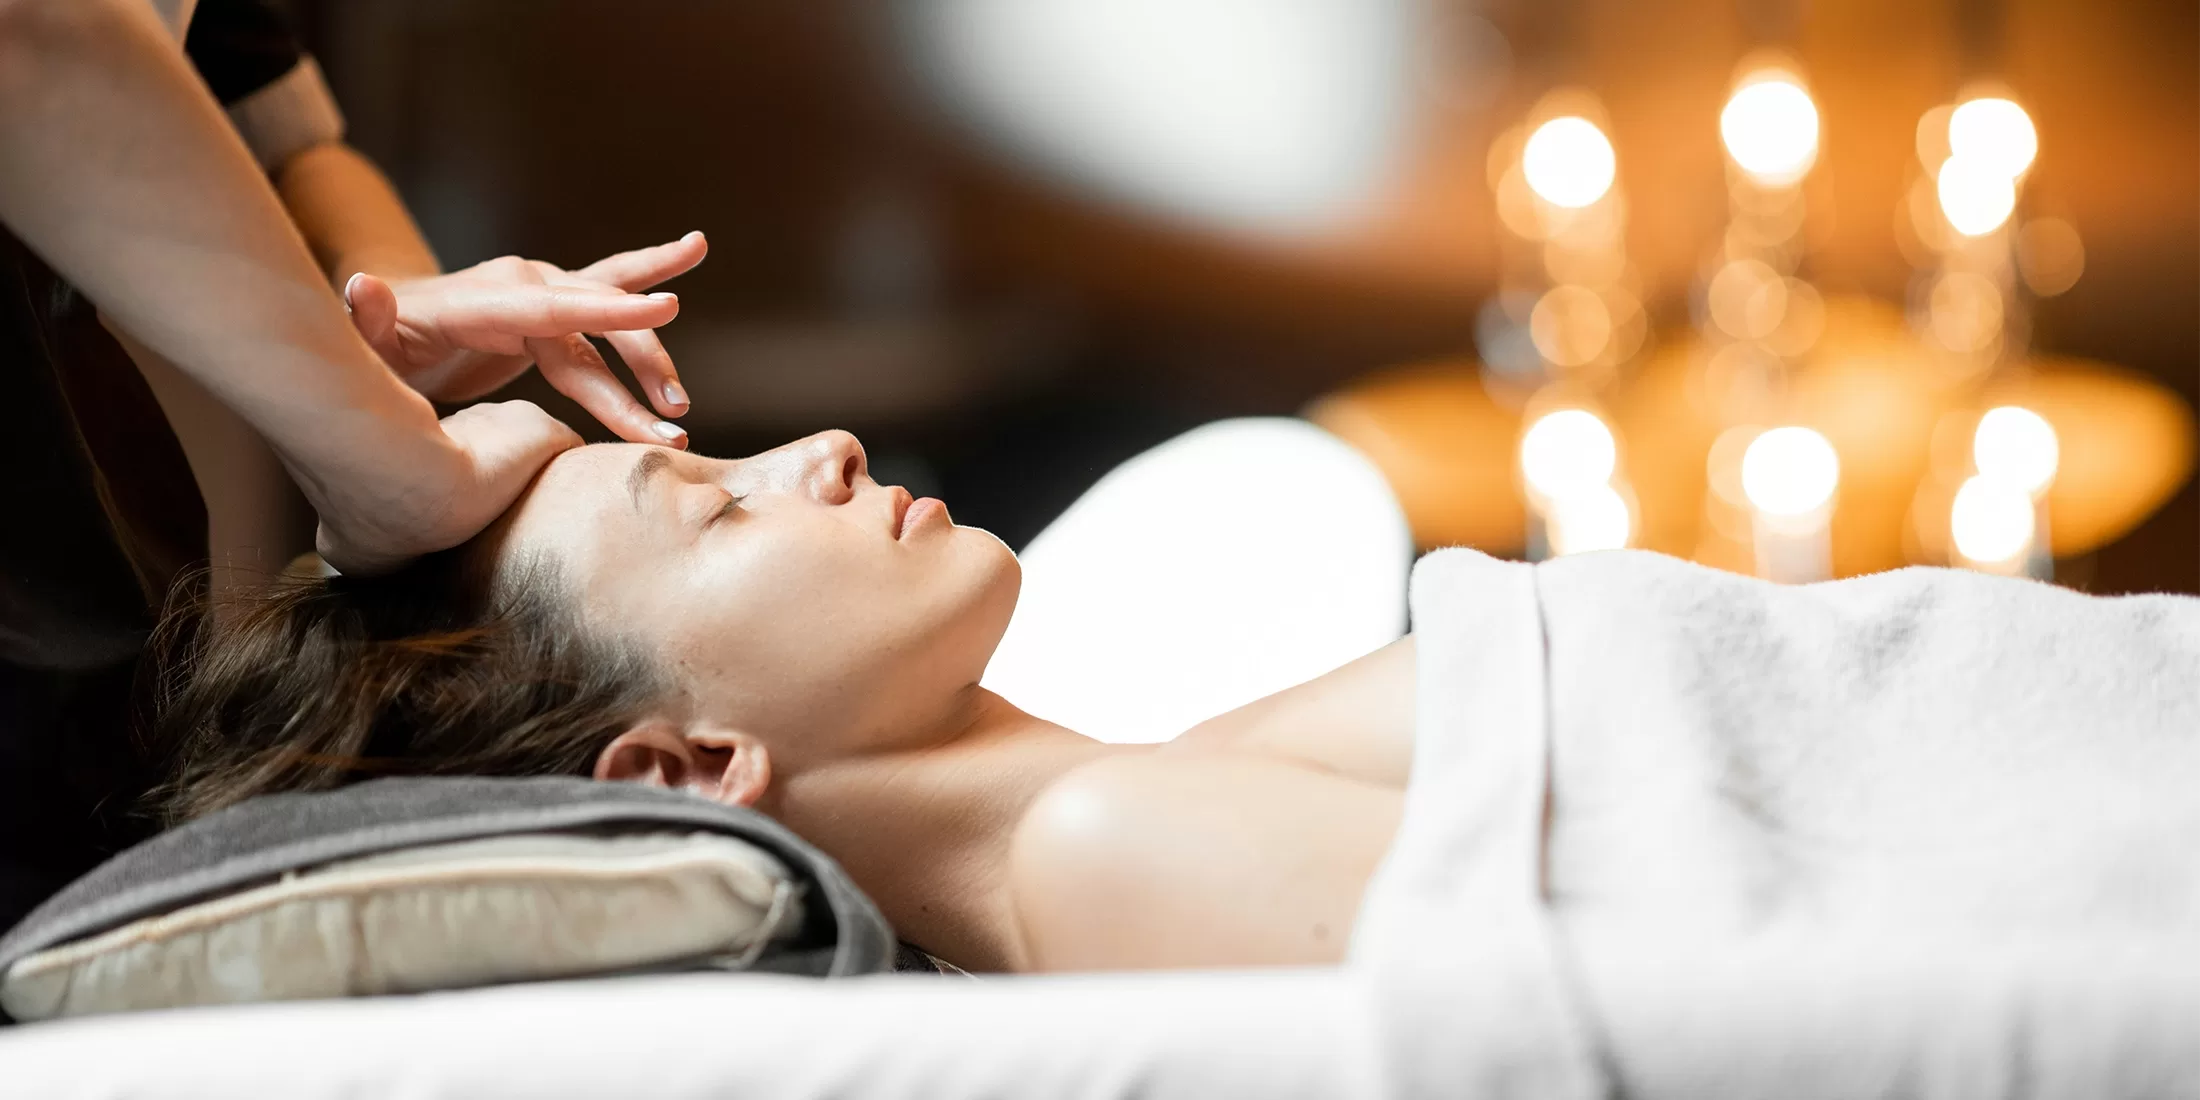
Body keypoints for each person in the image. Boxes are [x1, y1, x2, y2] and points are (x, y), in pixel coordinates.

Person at [154, 432, 1417, 972]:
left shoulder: (1172, 794)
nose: (827, 451)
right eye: (718, 507)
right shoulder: (1110, 857)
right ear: (688, 771)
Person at [0, 0, 703, 930]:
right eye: (717, 508)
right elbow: (37, 37)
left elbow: (283, 142)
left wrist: (383, 295)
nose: (833, 450)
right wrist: (376, 452)